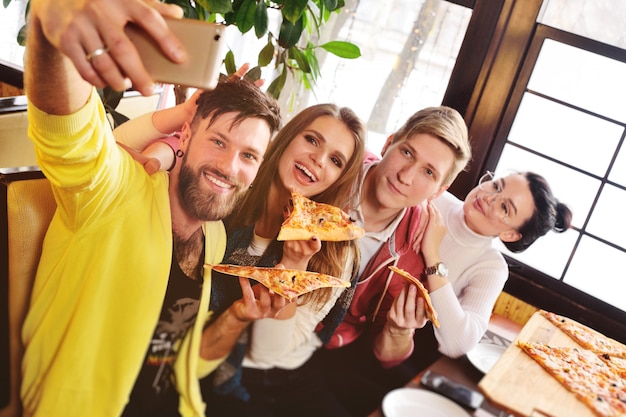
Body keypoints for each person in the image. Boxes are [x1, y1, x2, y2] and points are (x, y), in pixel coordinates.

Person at [21, 1, 284, 417]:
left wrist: (238, 316)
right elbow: (66, 134)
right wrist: (50, 30)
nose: (229, 166)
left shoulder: (214, 239)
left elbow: (183, 360)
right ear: (186, 133)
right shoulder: (115, 192)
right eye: (218, 141)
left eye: (249, 155)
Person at [120, 97, 367, 416]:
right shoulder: (222, 196)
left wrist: (292, 269)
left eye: (336, 160)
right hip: (155, 346)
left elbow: (267, 353)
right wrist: (169, 148)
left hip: (232, 371)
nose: (318, 160)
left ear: (340, 178)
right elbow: (192, 161)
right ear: (287, 137)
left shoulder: (334, 248)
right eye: (311, 140)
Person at [315, 113, 572, 414]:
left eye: (505, 206)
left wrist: (433, 256)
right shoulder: (427, 197)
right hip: (355, 319)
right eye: (497, 186)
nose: (490, 197)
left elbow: (458, 342)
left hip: (412, 345)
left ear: (510, 233)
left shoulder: (490, 265)